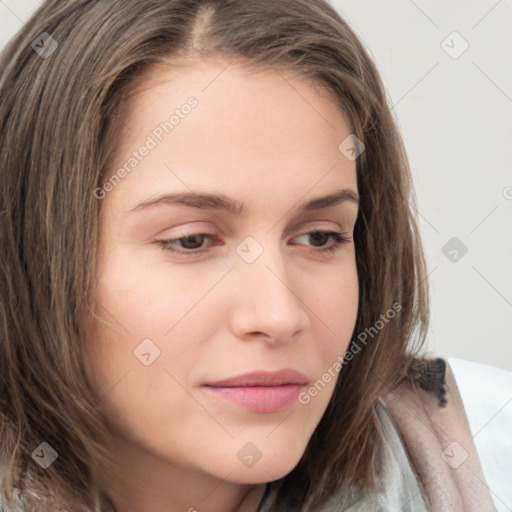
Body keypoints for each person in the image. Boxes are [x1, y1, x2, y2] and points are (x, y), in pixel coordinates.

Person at [0, 1, 496, 511]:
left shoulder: (487, 449)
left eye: (320, 237)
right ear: (29, 254)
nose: (278, 316)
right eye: (191, 240)